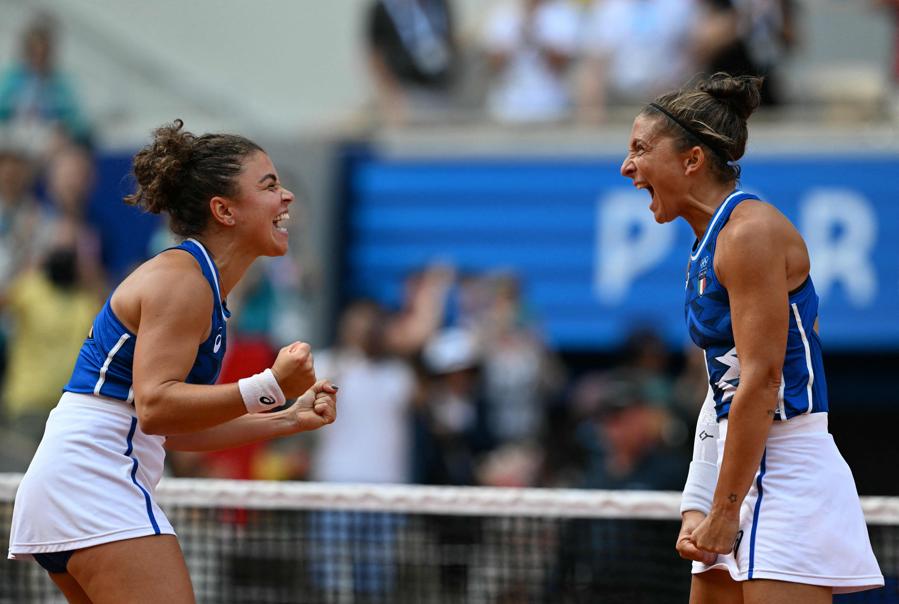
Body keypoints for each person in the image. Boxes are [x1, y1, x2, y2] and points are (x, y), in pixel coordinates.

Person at [6, 120, 338, 604]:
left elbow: (174, 431)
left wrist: (286, 417)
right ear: (224, 210)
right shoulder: (183, 281)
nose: (286, 197)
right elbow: (158, 407)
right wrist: (269, 383)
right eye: (269, 185)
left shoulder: (201, 286)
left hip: (82, 477)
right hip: (95, 477)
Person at [619, 73, 883, 601]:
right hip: (738, 469)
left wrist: (723, 508)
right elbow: (724, 389)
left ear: (692, 159)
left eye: (640, 149)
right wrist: (701, 501)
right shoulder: (706, 243)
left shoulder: (749, 233)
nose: (627, 166)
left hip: (788, 473)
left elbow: (762, 383)